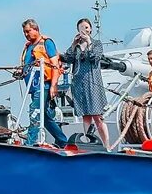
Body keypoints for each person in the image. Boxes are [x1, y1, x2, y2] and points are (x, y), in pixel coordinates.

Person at [14, 19, 67, 149]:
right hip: (33, 86)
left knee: (35, 111)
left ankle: (30, 143)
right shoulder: (28, 47)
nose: (26, 34)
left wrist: (54, 85)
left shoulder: (47, 43)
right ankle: (62, 141)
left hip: (44, 84)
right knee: (44, 115)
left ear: (36, 29)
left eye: (28, 31)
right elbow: (27, 66)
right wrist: (20, 71)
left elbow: (54, 64)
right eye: (24, 32)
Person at [60, 19, 111, 148]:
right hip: (79, 83)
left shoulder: (97, 43)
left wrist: (88, 43)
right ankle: (87, 143)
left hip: (93, 82)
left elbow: (95, 57)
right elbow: (67, 58)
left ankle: (107, 145)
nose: (84, 30)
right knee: (86, 115)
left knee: (98, 116)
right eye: (81, 28)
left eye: (87, 27)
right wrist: (73, 44)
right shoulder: (76, 46)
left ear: (91, 29)